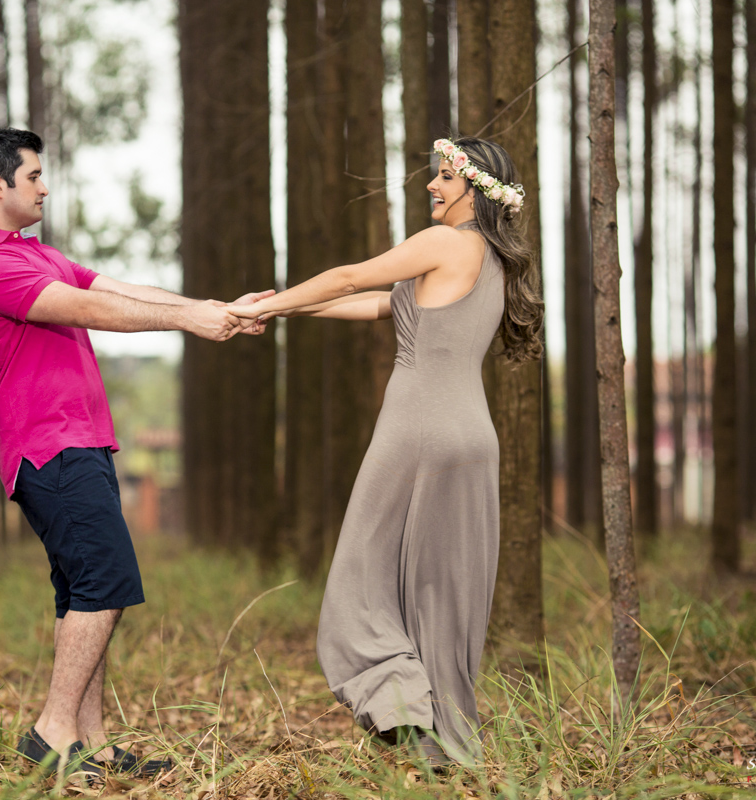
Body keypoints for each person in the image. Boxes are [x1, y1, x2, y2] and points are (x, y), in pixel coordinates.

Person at [0, 128, 271, 781]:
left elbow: (119, 287)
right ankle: (51, 731)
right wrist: (188, 322)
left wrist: (212, 308)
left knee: (86, 589)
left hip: (82, 438)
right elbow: (91, 306)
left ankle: (89, 740)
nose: (44, 186)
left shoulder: (36, 254)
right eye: (34, 175)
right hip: (47, 443)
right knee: (105, 582)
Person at [229, 136, 543, 769]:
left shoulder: (442, 244)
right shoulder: (494, 260)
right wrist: (279, 310)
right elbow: (378, 303)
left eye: (445, 177)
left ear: (476, 189)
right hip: (473, 440)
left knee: (359, 580)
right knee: (442, 596)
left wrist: (258, 305)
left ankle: (399, 705)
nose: (432, 184)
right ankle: (448, 746)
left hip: (416, 429)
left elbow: (350, 275)